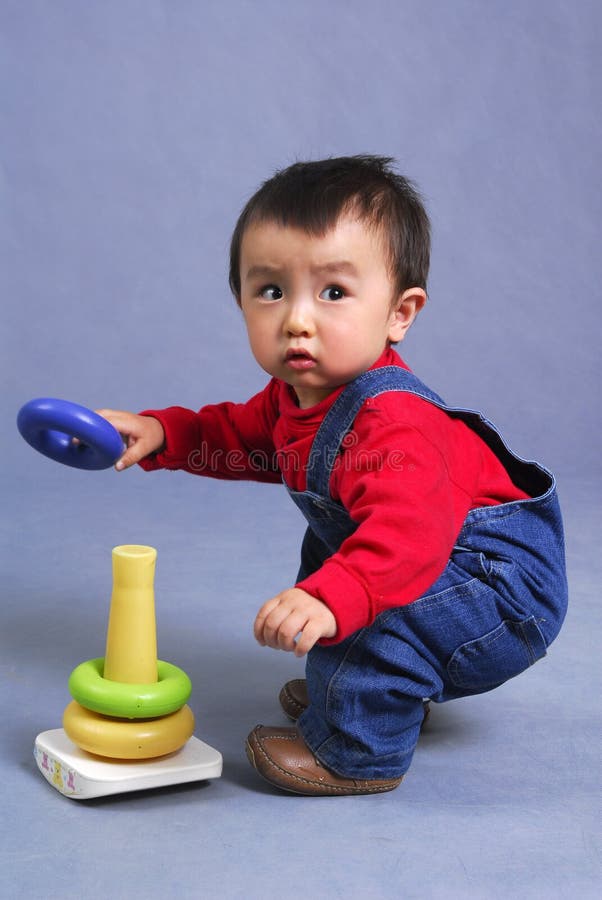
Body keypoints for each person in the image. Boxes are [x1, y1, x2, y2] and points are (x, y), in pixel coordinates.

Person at [98, 155, 568, 796]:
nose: (296, 318)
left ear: (399, 313)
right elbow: (237, 439)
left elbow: (407, 541)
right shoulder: (294, 397)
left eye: (334, 293)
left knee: (368, 601)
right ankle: (363, 687)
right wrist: (164, 434)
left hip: (497, 593)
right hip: (440, 568)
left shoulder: (396, 426)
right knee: (335, 553)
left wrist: (330, 600)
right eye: (270, 291)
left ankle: (356, 750)